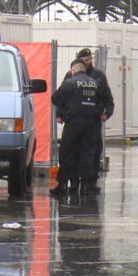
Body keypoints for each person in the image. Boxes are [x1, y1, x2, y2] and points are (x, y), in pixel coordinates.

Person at [56, 48, 114, 193]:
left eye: (87, 60)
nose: (85, 63)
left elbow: (107, 98)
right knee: (72, 153)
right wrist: (60, 114)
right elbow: (62, 100)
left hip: (92, 121)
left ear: (91, 60)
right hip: (76, 120)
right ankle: (74, 183)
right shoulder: (70, 76)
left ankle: (90, 184)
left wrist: (107, 114)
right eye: (83, 61)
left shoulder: (98, 76)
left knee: (91, 153)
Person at [50, 60, 103, 195]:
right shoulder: (95, 84)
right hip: (91, 124)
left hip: (73, 124)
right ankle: (86, 185)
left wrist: (65, 108)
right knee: (87, 155)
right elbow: (103, 102)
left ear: (73, 70)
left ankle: (63, 185)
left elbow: (55, 99)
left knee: (67, 154)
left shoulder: (70, 83)